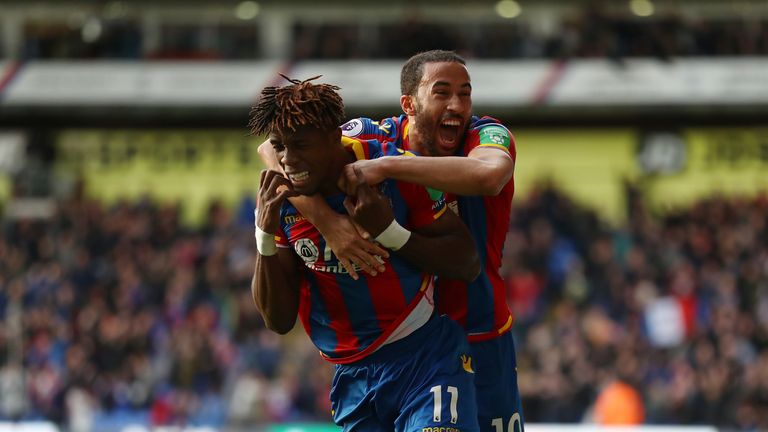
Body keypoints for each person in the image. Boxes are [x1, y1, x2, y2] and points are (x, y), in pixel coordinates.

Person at [258, 51, 524, 432]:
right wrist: (327, 220)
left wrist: (386, 167)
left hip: (477, 321)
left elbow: (490, 175)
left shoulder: (483, 135)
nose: (457, 105)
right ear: (409, 104)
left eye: (465, 94)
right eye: (442, 92)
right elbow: (273, 151)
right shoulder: (373, 137)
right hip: (400, 338)